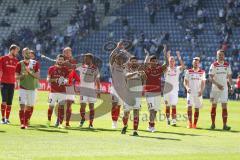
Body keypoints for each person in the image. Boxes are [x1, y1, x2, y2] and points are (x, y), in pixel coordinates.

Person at [144, 45, 170, 132]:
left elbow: (167, 64)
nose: (154, 62)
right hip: (149, 92)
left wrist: (165, 53)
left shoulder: (159, 69)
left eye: (155, 61)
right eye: (152, 61)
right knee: (151, 109)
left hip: (158, 93)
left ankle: (150, 125)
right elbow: (144, 65)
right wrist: (147, 56)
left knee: (155, 110)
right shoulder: (147, 70)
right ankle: (152, 127)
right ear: (150, 62)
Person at [121, 56, 146, 136]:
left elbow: (144, 80)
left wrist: (143, 75)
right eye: (133, 61)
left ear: (137, 62)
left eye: (135, 61)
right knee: (126, 113)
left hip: (137, 95)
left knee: (136, 112)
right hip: (128, 95)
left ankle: (135, 131)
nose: (134, 62)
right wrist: (136, 73)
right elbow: (126, 76)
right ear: (130, 62)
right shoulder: (126, 69)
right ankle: (125, 126)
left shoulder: (141, 70)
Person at [15, 48, 40, 129]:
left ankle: (26, 123)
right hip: (22, 88)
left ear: (30, 54)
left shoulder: (35, 63)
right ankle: (22, 124)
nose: (27, 54)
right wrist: (23, 75)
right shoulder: (19, 64)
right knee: (22, 105)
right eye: (25, 53)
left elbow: (37, 76)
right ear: (22, 54)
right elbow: (16, 77)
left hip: (32, 88)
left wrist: (29, 72)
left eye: (28, 53)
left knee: (29, 106)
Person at [209, 50, 233, 130]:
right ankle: (213, 124)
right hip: (215, 88)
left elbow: (229, 77)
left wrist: (231, 86)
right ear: (217, 56)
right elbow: (210, 78)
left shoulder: (227, 65)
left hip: (224, 89)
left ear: (224, 56)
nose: (220, 56)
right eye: (219, 55)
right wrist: (217, 85)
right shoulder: (214, 65)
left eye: (222, 55)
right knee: (214, 105)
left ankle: (225, 125)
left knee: (224, 106)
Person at [77, 53, 100, 129]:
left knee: (91, 107)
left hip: (91, 91)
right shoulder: (81, 67)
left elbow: (97, 80)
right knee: (82, 106)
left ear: (90, 59)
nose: (85, 59)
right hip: (83, 90)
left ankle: (91, 124)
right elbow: (71, 67)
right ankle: (83, 118)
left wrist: (98, 90)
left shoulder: (95, 68)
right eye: (84, 58)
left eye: (86, 58)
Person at [47, 54, 69, 129]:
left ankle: (60, 124)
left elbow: (67, 79)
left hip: (62, 91)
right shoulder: (51, 68)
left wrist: (64, 81)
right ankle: (48, 121)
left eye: (62, 60)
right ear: (56, 60)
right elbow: (48, 80)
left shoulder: (66, 69)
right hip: (53, 91)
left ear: (63, 61)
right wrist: (56, 80)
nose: (60, 61)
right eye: (59, 59)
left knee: (61, 107)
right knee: (51, 107)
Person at [164, 50, 185, 126]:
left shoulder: (177, 69)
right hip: (167, 90)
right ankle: (168, 119)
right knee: (167, 105)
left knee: (173, 105)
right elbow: (165, 66)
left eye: (173, 61)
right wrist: (167, 56)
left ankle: (173, 120)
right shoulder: (166, 69)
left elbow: (183, 66)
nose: (172, 62)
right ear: (168, 61)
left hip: (174, 90)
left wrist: (179, 57)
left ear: (175, 62)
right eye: (170, 61)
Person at [184, 57, 206, 129]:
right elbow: (185, 82)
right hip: (190, 93)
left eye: (197, 63)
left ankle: (194, 124)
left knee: (197, 108)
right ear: (192, 63)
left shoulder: (202, 72)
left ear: (199, 63)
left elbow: (203, 82)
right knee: (189, 107)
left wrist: (201, 91)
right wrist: (187, 88)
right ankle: (190, 123)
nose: (195, 64)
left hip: (198, 93)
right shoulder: (188, 71)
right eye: (194, 62)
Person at [0, 44, 20, 124]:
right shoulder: (3, 58)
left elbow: (17, 73)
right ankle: (2, 118)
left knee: (9, 102)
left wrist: (17, 82)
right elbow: (0, 70)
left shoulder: (16, 61)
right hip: (4, 82)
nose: (17, 53)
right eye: (16, 51)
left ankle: (7, 119)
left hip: (12, 83)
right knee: (4, 101)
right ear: (12, 50)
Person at [63, 47, 77, 127]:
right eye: (66, 52)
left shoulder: (73, 61)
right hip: (61, 86)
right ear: (63, 53)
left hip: (70, 85)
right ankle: (59, 121)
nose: (68, 53)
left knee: (69, 104)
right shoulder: (60, 60)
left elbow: (74, 71)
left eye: (69, 52)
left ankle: (67, 123)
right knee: (61, 104)